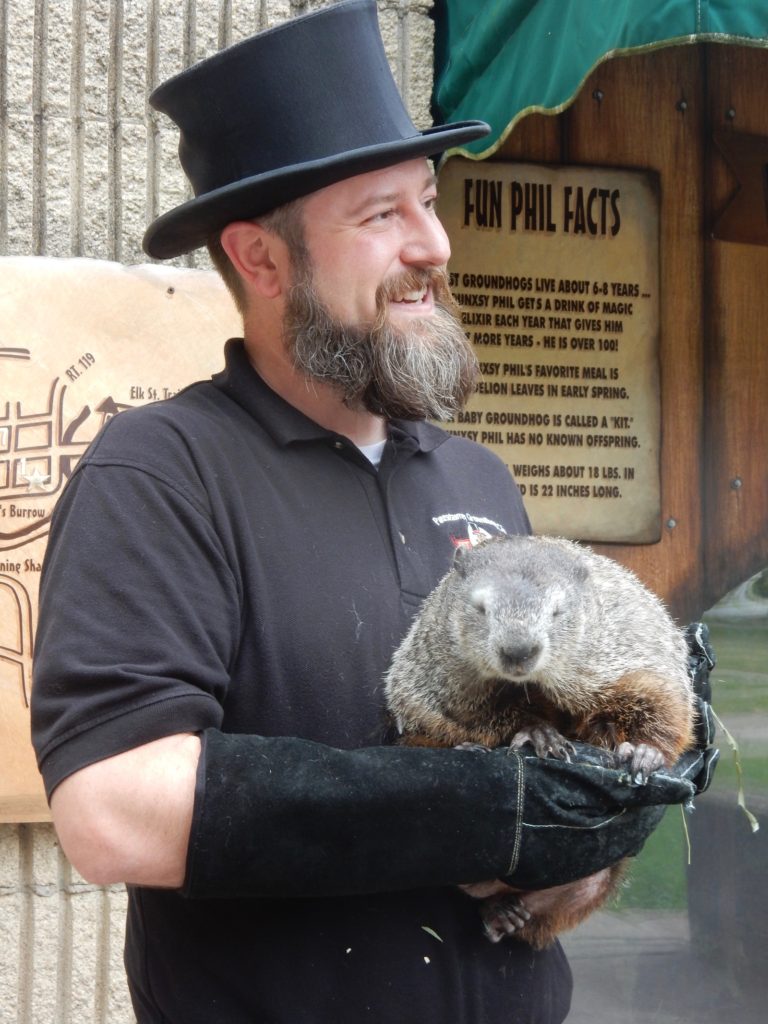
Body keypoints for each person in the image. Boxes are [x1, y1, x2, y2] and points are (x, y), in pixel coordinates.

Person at [30, 3, 716, 1022]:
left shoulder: (476, 476)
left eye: (428, 202)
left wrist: (624, 780)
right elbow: (109, 810)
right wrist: (473, 812)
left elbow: (547, 768)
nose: (434, 244)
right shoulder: (163, 472)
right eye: (380, 214)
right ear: (261, 261)